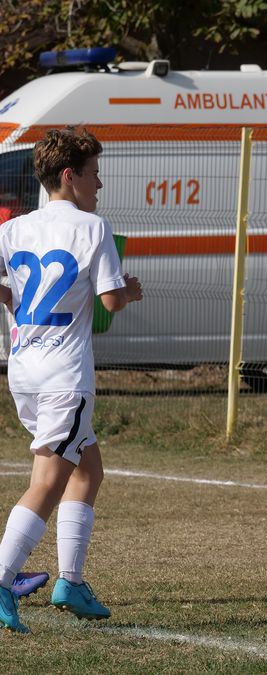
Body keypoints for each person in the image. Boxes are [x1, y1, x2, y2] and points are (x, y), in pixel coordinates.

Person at [0, 126, 143, 633]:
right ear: (69, 176)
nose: (99, 185)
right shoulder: (92, 227)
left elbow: (9, 289)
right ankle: (1, 579)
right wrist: (129, 290)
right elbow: (108, 303)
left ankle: (70, 582)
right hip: (64, 375)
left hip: (24, 370)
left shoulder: (14, 229)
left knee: (88, 471)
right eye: (94, 173)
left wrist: (14, 301)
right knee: (47, 482)